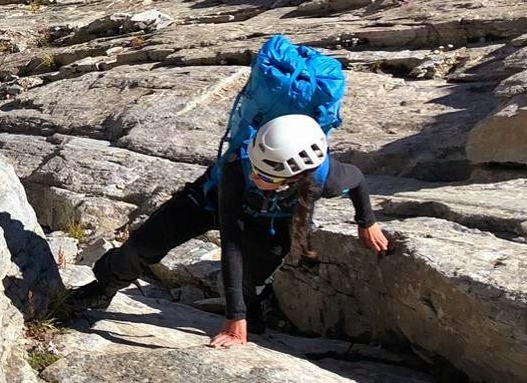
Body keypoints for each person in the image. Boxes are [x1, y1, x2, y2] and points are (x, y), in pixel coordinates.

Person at [71, 114, 389, 346]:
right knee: (140, 248)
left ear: (295, 177)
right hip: (210, 199)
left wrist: (367, 222)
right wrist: (232, 316)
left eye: (265, 176)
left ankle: (255, 324)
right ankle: (102, 290)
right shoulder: (240, 167)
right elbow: (231, 242)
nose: (255, 177)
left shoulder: (327, 179)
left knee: (254, 281)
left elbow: (358, 179)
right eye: (257, 168)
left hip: (270, 219)